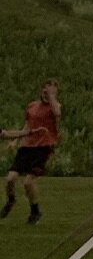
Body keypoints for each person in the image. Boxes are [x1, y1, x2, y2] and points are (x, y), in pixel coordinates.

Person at [3, 79, 62, 224]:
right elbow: (27, 125)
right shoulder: (32, 106)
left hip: (43, 147)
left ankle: (35, 211)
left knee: (28, 183)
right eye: (45, 90)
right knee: (10, 178)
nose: (46, 93)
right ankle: (11, 200)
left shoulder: (55, 106)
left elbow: (57, 113)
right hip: (27, 146)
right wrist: (15, 140)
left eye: (50, 91)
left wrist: (52, 96)